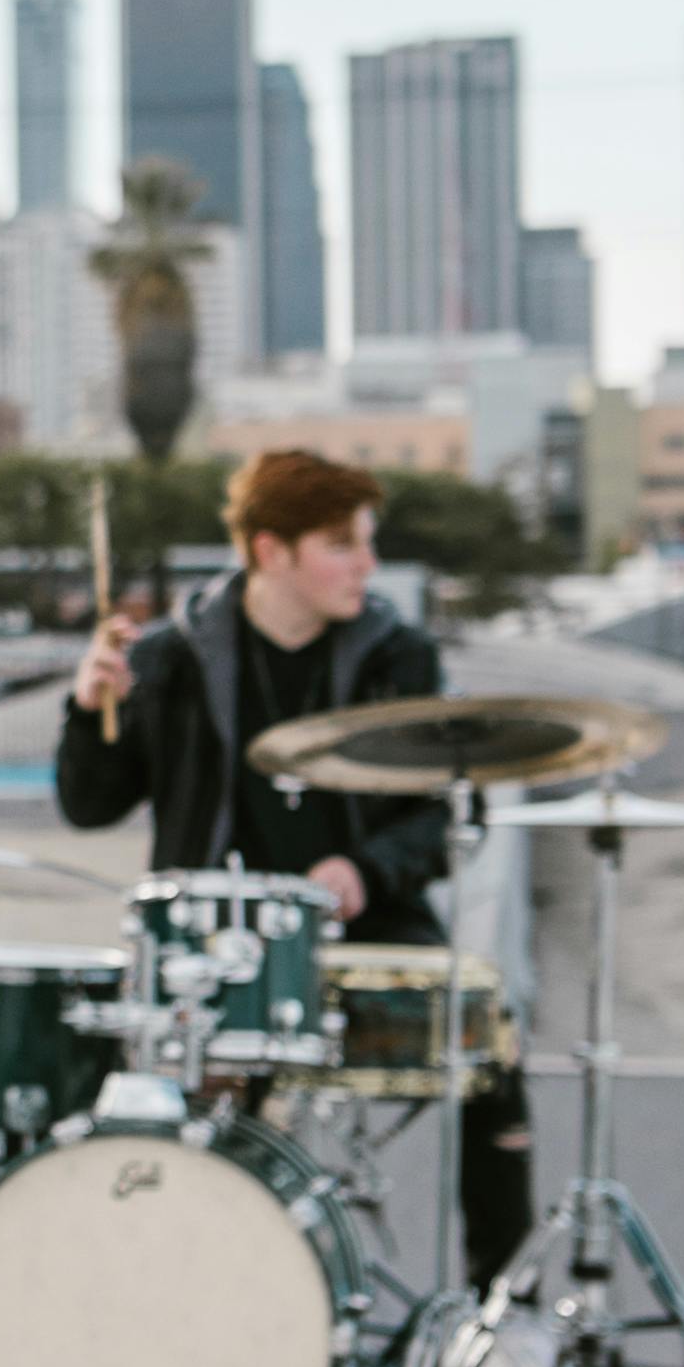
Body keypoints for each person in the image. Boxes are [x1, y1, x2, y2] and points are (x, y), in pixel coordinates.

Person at [61, 441, 533, 1279]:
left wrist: (365, 869)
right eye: (343, 543)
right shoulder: (170, 658)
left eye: (364, 541)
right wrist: (84, 707)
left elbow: (445, 814)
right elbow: (88, 803)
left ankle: (501, 1308)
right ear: (269, 550)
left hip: (368, 936)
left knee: (485, 1039)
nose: (368, 563)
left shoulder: (398, 657)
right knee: (85, 1061)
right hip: (208, 953)